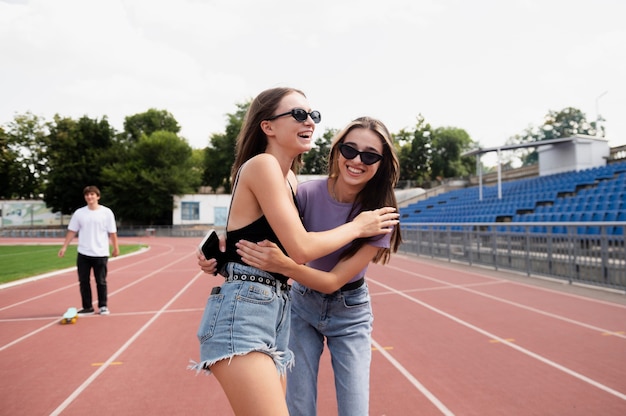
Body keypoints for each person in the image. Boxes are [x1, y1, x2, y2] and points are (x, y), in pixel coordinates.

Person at [189, 87, 399, 416]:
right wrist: (359, 226)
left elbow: (258, 229)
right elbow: (300, 248)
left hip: (277, 311)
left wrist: (221, 247)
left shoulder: (289, 179)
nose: (310, 121)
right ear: (268, 126)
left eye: (313, 115)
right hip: (245, 312)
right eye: (299, 114)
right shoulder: (263, 166)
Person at [58, 185, 119, 315]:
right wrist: (64, 247)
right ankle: (87, 307)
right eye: (87, 195)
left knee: (101, 281)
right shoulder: (79, 213)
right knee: (83, 281)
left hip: (101, 253)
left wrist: (115, 248)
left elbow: (112, 232)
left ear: (98, 196)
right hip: (84, 253)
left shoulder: (106, 212)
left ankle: (103, 306)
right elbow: (72, 231)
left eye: (92, 194)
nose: (89, 197)